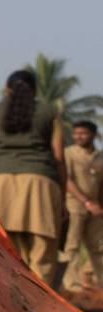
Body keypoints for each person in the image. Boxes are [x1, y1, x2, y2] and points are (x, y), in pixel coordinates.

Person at [0, 69, 65, 283]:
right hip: (40, 183)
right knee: (43, 254)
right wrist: (61, 197)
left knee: (5, 252)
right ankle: (43, 306)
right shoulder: (49, 112)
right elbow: (59, 158)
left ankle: (13, 304)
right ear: (35, 90)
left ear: (7, 89)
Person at [64, 121, 103, 289]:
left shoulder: (100, 156)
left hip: (96, 208)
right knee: (72, 245)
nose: (78, 137)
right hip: (74, 205)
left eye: (83, 133)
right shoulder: (69, 153)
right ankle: (71, 285)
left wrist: (98, 205)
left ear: (93, 135)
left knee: (99, 246)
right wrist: (85, 201)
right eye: (76, 133)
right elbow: (66, 179)